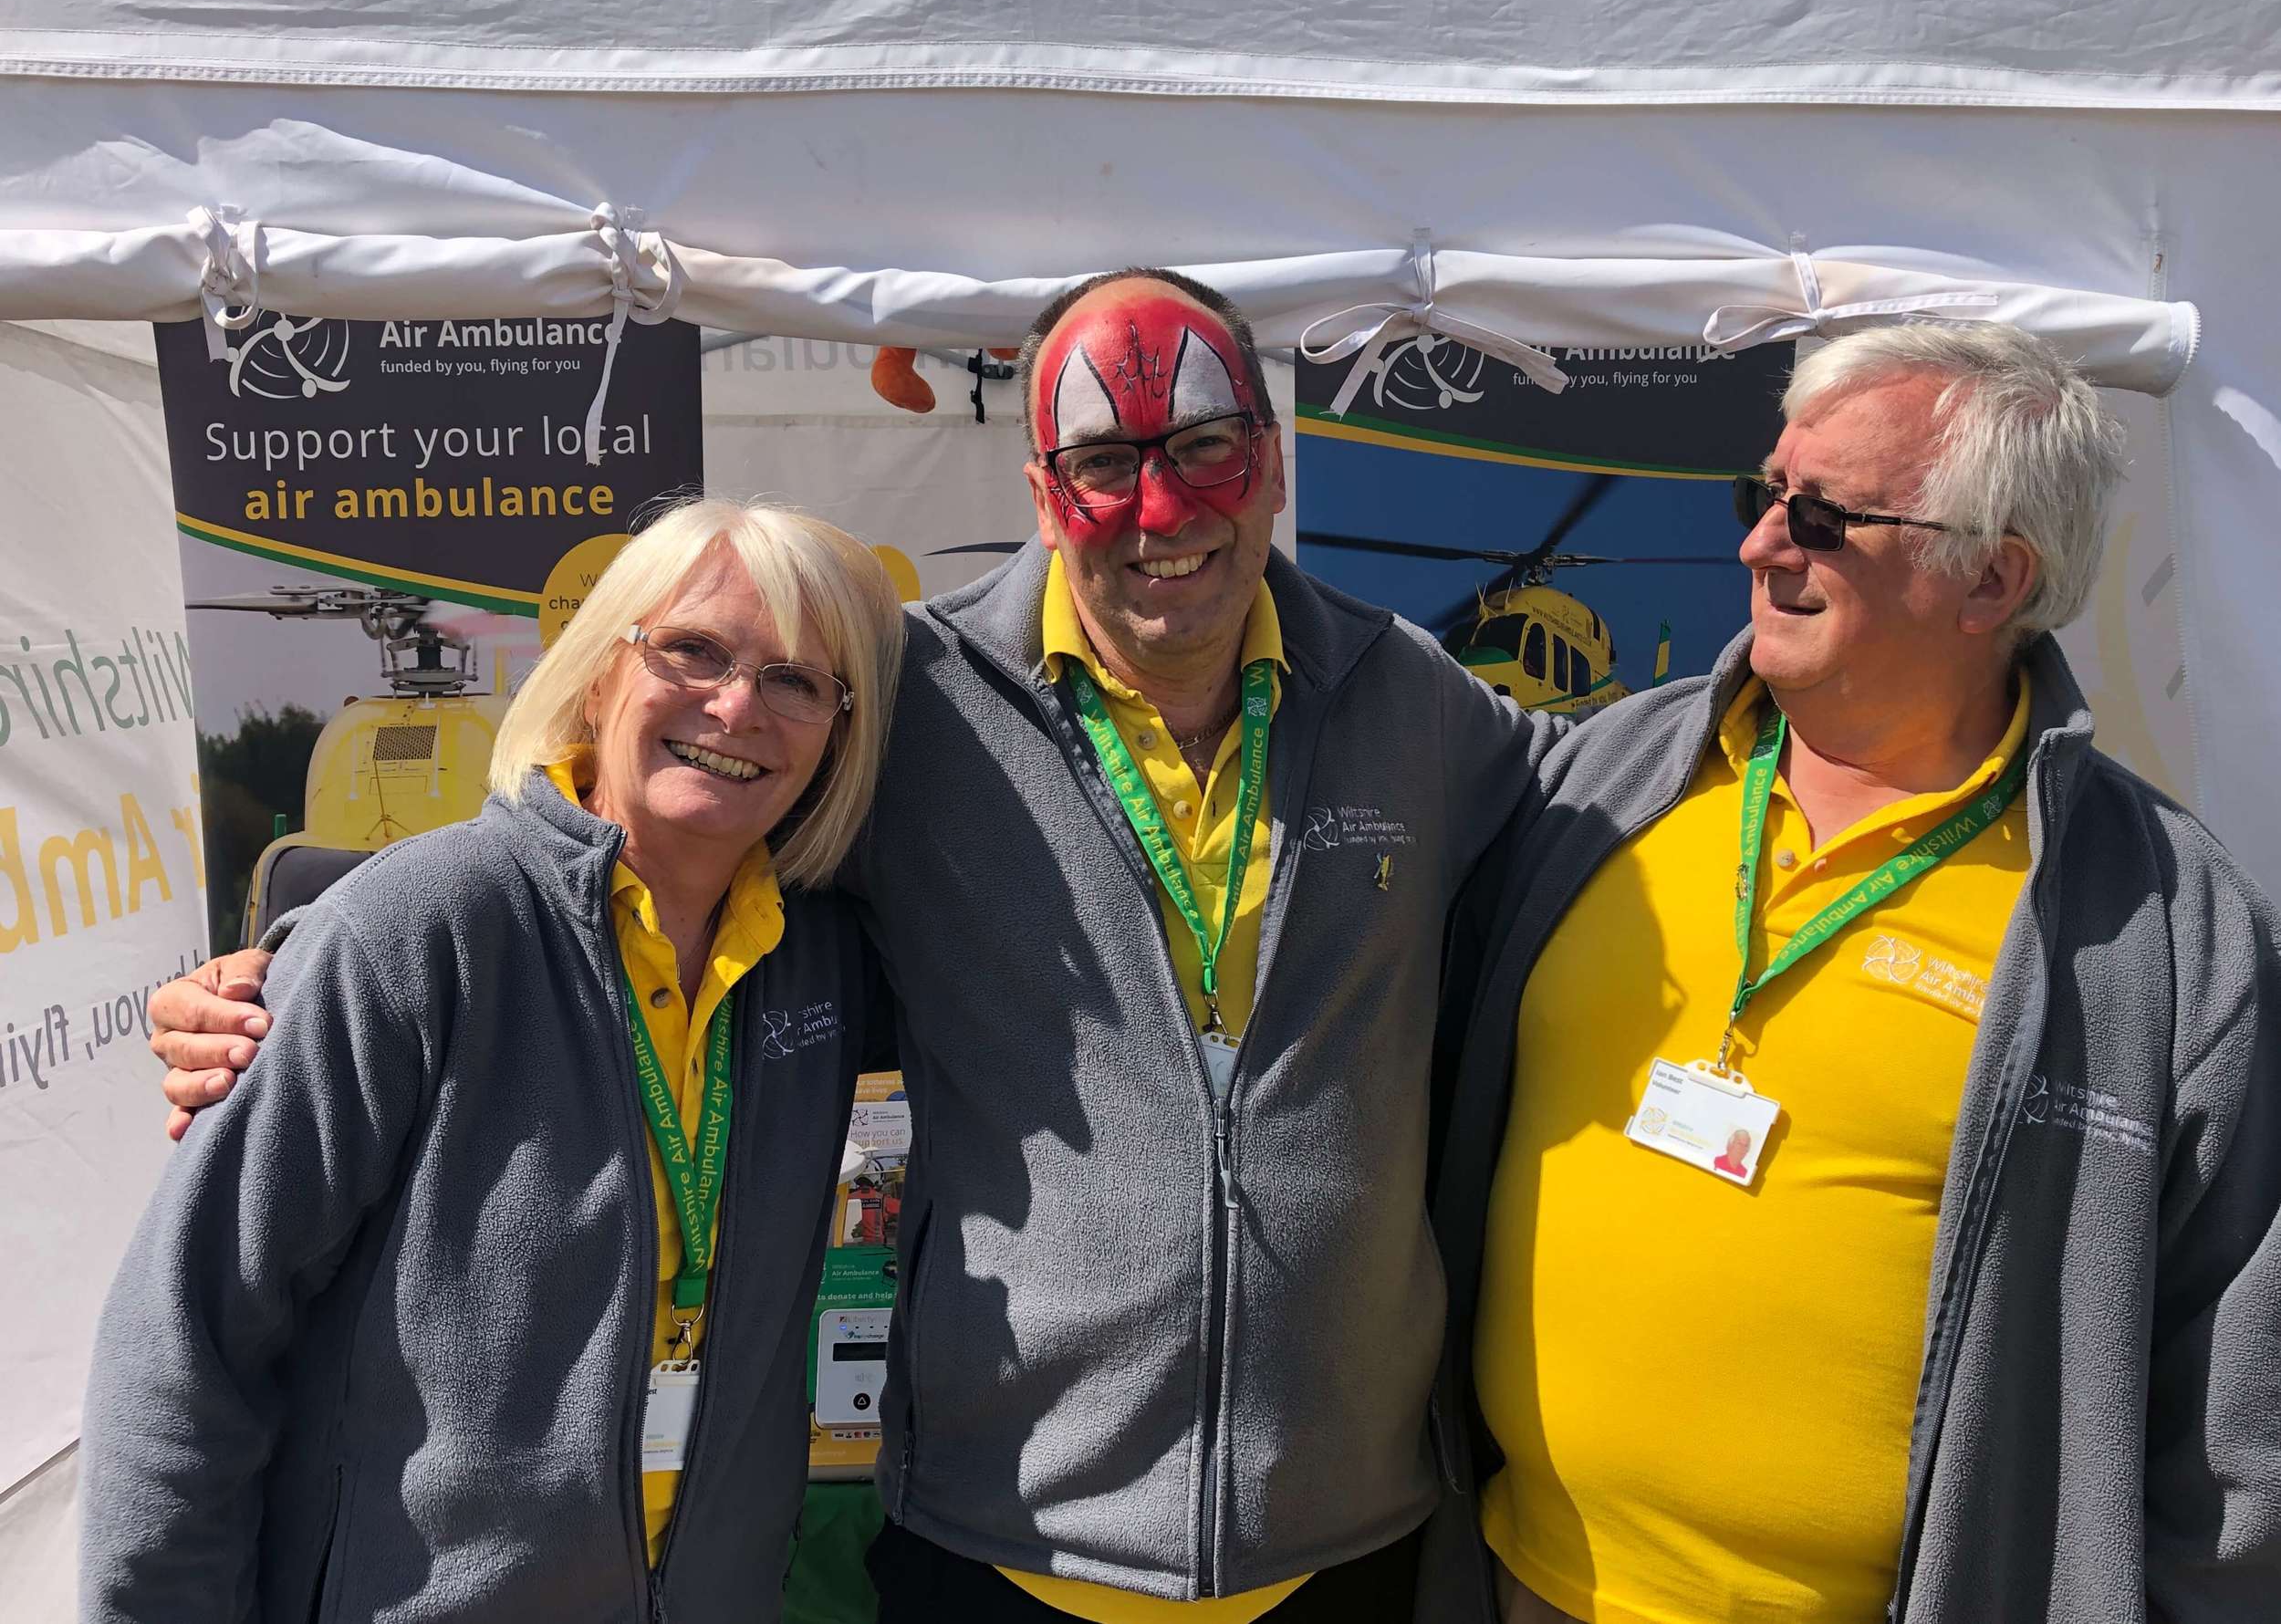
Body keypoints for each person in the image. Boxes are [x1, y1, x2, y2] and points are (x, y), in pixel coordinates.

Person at [150, 269, 1564, 1622]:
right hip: (1002, 1542)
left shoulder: (1412, 700)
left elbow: (1610, 819)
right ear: (1039, 494)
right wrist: (294, 967)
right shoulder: (915, 699)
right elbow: (628, 851)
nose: (1159, 507)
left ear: (1269, 459)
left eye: (1203, 446)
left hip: (1346, 1539)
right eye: (1104, 462)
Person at [1422, 323, 2281, 1623]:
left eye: (1821, 517)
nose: (1763, 543)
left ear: (1991, 578)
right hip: (1518, 1582)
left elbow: (2236, 1416)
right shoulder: (1594, 786)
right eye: (1764, 495)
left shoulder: (2166, 920)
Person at [84, 500, 903, 1621]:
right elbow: (187, 1341)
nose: (735, 706)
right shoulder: (420, 927)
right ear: (602, 671)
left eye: (796, 682)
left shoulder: (821, 965)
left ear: (836, 733)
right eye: (692, 650)